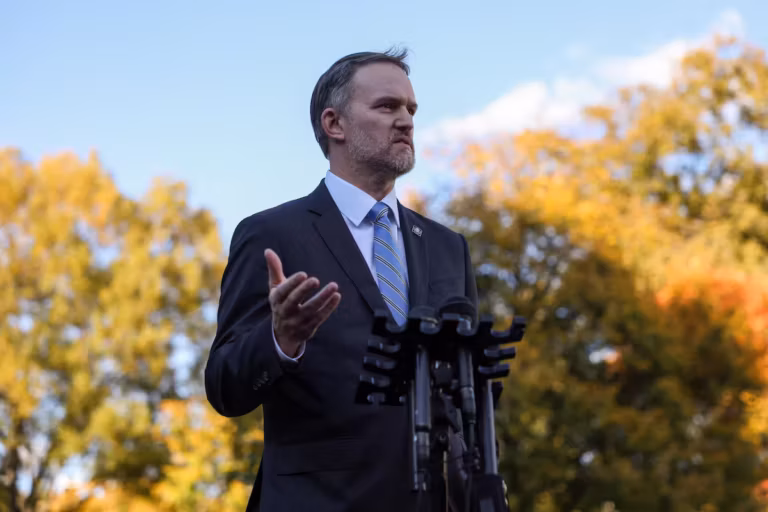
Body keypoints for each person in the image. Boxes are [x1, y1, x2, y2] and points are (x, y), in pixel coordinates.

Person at [204, 48, 478, 512]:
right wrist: (280, 340)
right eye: (387, 106)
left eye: (411, 110)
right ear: (334, 124)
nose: (406, 121)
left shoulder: (448, 247)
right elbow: (224, 387)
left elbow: (469, 394)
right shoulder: (272, 234)